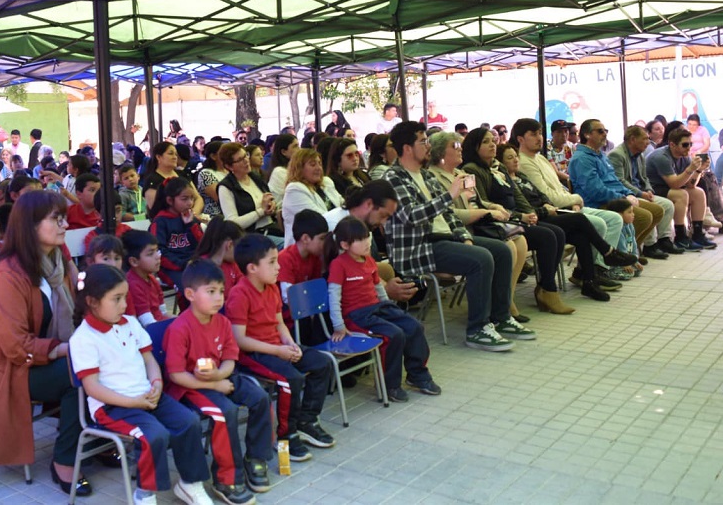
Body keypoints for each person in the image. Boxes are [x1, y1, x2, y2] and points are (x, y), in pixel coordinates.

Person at [0, 190, 89, 496]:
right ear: (30, 226)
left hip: (44, 356)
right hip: (10, 369)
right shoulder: (6, 274)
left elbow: (78, 309)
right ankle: (64, 462)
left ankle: (97, 442)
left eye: (64, 217)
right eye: (56, 219)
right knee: (79, 375)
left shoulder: (56, 262)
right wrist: (65, 349)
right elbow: (15, 346)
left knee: (104, 361)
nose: (65, 224)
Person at [70, 264, 212, 505]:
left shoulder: (130, 323)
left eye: (124, 297)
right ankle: (144, 494)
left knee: (188, 421)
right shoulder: (83, 339)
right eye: (116, 299)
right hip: (113, 406)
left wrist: (156, 382)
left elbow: (149, 360)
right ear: (93, 302)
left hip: (146, 396)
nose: (124, 305)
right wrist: (133, 402)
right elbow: (92, 388)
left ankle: (190, 484)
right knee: (152, 435)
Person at [383, 121, 531, 351]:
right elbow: (411, 216)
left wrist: (463, 236)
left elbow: (449, 215)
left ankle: (500, 317)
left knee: (500, 250)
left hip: (443, 239)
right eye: (422, 141)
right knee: (481, 258)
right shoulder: (393, 178)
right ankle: (477, 329)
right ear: (407, 148)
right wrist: (449, 195)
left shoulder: (426, 177)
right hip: (418, 247)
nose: (427, 146)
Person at [165, 259, 273, 504]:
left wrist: (220, 375)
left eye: (221, 291)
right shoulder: (180, 328)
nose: (218, 298)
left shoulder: (222, 322)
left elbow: (230, 360)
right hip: (190, 386)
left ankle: (255, 458)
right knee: (225, 412)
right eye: (211, 292)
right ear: (190, 294)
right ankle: (226, 479)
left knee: (260, 397)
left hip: (220, 376)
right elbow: (176, 375)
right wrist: (214, 384)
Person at [225, 233, 334, 462]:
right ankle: (286, 435)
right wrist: (277, 351)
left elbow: (280, 323)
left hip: (277, 346)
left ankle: (307, 420)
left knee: (322, 363)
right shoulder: (240, 293)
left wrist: (290, 344)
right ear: (252, 267)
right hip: (253, 354)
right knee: (290, 380)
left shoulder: (271, 287)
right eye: (272, 262)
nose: (278, 267)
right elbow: (239, 340)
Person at [326, 216, 439, 401]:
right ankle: (390, 385)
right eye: (360, 239)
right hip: (356, 317)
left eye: (367, 236)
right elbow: (333, 297)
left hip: (378, 307)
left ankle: (417, 374)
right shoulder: (339, 265)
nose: (367, 242)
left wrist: (389, 307)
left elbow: (378, 287)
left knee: (414, 326)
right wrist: (338, 325)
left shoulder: (369, 260)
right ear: (345, 245)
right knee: (393, 335)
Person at [500, 144, 637, 296]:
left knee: (581, 235)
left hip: (549, 211)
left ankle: (588, 282)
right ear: (501, 162)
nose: (515, 160)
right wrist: (546, 208)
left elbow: (542, 194)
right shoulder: (507, 181)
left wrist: (548, 204)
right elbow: (524, 207)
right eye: (510, 158)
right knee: (579, 220)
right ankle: (607, 253)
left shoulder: (521, 176)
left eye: (515, 156)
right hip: (536, 218)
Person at [461, 128, 571, 315]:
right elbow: (483, 203)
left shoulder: (498, 166)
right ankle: (539, 292)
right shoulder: (471, 170)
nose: (492, 145)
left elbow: (517, 195)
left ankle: (546, 288)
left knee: (557, 233)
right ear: (475, 146)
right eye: (486, 142)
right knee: (547, 236)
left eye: (493, 141)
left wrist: (530, 213)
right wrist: (520, 217)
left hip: (515, 217)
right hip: (494, 223)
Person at [427, 131, 531, 314]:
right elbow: (448, 214)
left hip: (479, 223)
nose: (461, 149)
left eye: (460, 145)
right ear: (440, 153)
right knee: (507, 247)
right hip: (461, 229)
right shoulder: (433, 177)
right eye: (455, 146)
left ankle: (507, 299)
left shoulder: (462, 173)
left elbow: (478, 200)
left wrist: (494, 206)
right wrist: (485, 212)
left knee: (520, 240)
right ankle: (496, 305)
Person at [568, 119, 665, 259]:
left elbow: (615, 181)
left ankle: (629, 250)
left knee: (657, 211)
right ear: (587, 135)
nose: (604, 134)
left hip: (614, 197)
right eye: (600, 131)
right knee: (644, 216)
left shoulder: (600, 155)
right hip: (597, 202)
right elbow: (595, 191)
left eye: (605, 131)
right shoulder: (582, 158)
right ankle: (618, 254)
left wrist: (629, 193)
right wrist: (622, 198)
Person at [608, 125, 680, 258]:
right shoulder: (617, 155)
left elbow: (644, 177)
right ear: (633, 139)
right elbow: (619, 181)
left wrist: (648, 189)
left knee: (667, 205)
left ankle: (664, 240)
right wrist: (640, 194)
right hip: (626, 195)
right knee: (652, 209)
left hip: (641, 192)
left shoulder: (640, 155)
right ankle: (649, 245)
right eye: (645, 139)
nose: (648, 142)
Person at [645, 127, 716, 251]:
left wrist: (699, 169)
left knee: (698, 193)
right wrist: (690, 169)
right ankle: (681, 237)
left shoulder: (684, 155)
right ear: (672, 144)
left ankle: (697, 235)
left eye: (690, 144)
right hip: (652, 188)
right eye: (685, 144)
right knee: (681, 194)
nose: (689, 148)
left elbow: (691, 185)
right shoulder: (662, 157)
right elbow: (674, 184)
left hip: (669, 187)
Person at [217, 142, 281, 242]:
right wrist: (261, 211)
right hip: (250, 236)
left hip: (272, 228)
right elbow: (233, 222)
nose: (246, 161)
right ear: (229, 167)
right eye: (240, 160)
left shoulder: (255, 177)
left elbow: (269, 199)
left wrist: (271, 205)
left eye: (246, 155)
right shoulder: (226, 187)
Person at [280, 149, 344, 246]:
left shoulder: (326, 183)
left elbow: (343, 205)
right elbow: (321, 220)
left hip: (333, 239)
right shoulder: (294, 190)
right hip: (307, 248)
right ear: (299, 168)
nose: (318, 168)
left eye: (320, 164)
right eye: (313, 164)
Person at [142, 142, 204, 216]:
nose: (175, 157)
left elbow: (198, 199)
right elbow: (156, 210)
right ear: (158, 157)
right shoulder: (152, 180)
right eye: (170, 153)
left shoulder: (183, 174)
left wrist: (192, 215)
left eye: (176, 154)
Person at [122, 229, 169, 326]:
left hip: (160, 325)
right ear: (134, 261)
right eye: (150, 254)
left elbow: (163, 313)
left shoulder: (152, 279)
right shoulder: (133, 284)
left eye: (157, 251)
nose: (157, 256)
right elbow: (148, 323)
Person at [193, 218, 245, 299]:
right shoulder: (202, 267)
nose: (241, 254)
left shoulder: (233, 265)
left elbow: (243, 285)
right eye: (240, 249)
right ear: (229, 245)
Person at [195, 140, 226, 218]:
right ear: (213, 156)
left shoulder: (230, 171)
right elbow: (220, 199)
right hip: (215, 216)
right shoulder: (206, 173)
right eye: (223, 153)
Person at [266, 133, 299, 202]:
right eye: (295, 146)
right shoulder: (279, 172)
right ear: (284, 152)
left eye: (298, 145)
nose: (299, 149)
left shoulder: (295, 168)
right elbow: (295, 195)